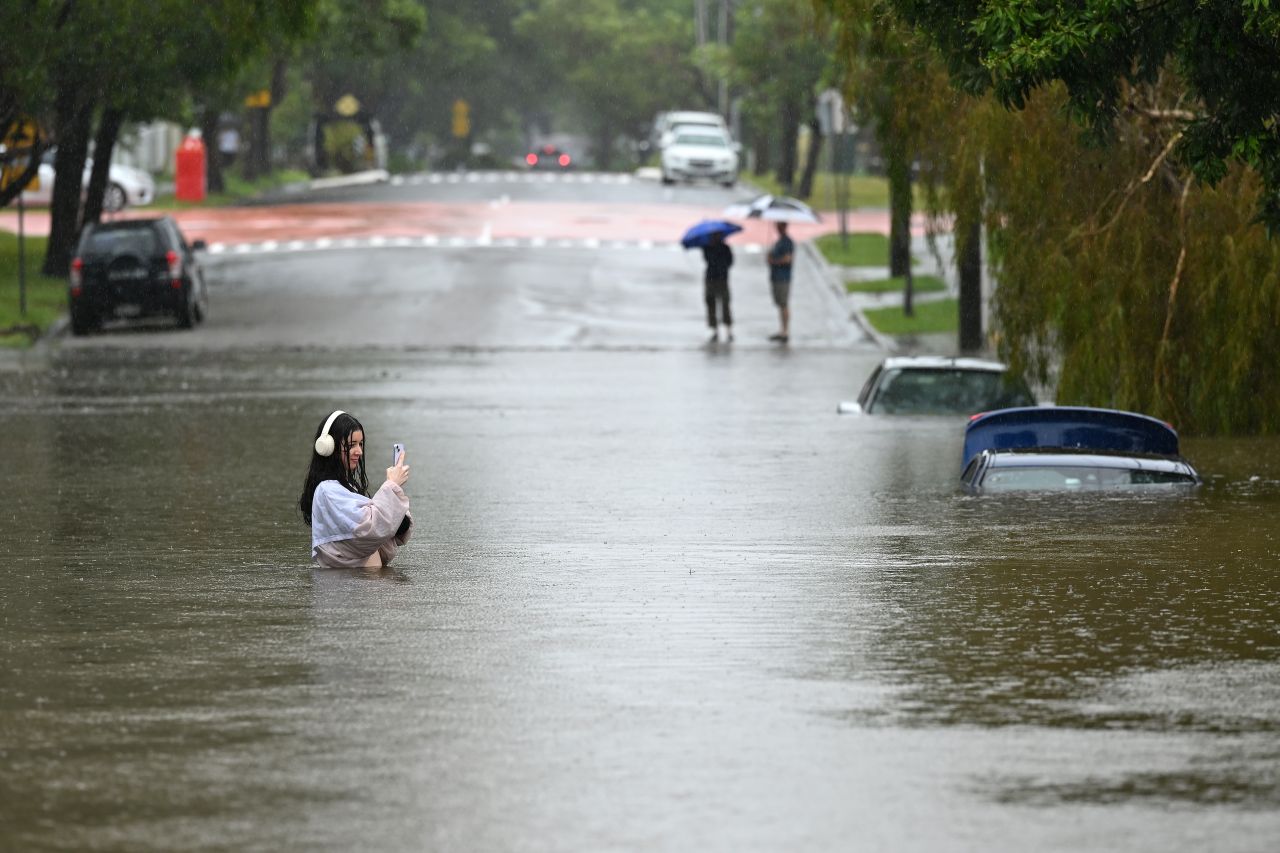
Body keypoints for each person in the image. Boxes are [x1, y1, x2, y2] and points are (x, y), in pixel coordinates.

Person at [299, 410, 413, 569]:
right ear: (328, 447)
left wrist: (393, 494)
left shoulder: (345, 488)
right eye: (352, 445)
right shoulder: (327, 491)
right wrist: (392, 486)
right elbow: (370, 529)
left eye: (360, 444)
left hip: (366, 585)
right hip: (353, 588)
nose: (359, 451)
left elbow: (391, 527)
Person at [702, 232, 734, 342]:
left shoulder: (725, 248)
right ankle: (715, 331)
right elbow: (707, 259)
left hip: (721, 279)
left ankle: (728, 331)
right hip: (712, 278)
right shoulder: (707, 247)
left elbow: (730, 262)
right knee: (711, 304)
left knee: (725, 304)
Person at [766, 222, 795, 343]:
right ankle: (782, 329)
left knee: (784, 304)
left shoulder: (787, 242)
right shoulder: (779, 241)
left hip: (783, 277)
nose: (777, 227)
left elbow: (788, 259)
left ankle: (785, 331)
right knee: (780, 304)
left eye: (780, 225)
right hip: (775, 277)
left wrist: (774, 261)